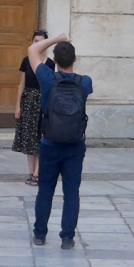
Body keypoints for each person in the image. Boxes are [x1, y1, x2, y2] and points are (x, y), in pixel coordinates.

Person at [28, 32, 92, 249]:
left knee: (45, 190)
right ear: (75, 60)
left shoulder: (47, 79)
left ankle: (40, 234)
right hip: (75, 145)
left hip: (50, 144)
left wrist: (56, 39)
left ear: (54, 61)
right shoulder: (85, 82)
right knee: (71, 193)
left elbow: (32, 50)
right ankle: (67, 238)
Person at [12, 29, 54, 185]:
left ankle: (38, 173)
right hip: (28, 102)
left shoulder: (50, 63)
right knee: (29, 139)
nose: (38, 44)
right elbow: (22, 84)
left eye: (41, 42)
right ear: (31, 43)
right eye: (36, 41)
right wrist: (18, 106)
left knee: (41, 138)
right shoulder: (26, 61)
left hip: (42, 102)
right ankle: (31, 172)